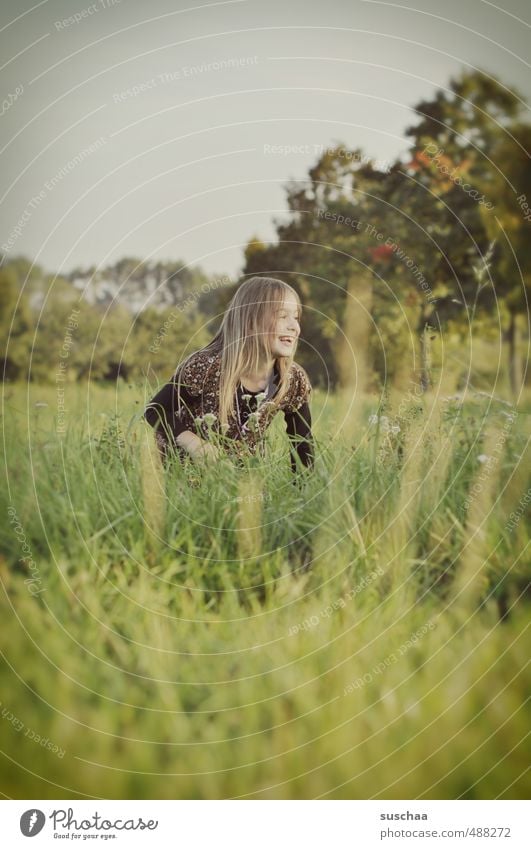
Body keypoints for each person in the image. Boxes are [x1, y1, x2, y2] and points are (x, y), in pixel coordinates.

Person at [144, 275, 314, 476]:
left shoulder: (292, 380)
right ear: (250, 322)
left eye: (295, 317)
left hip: (238, 476)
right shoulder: (206, 366)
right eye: (282, 315)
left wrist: (301, 499)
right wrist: (195, 444)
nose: (294, 326)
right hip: (179, 470)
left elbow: (302, 444)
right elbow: (155, 410)